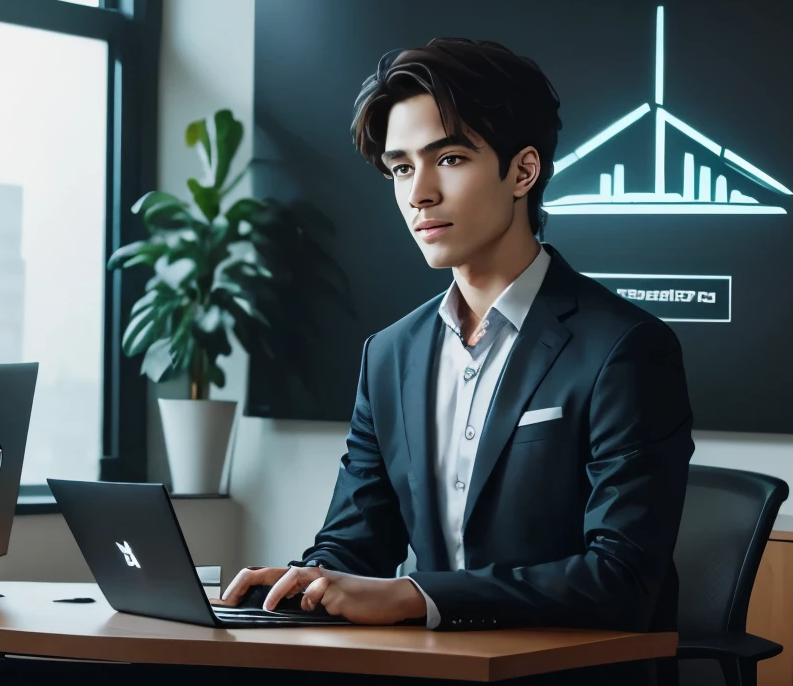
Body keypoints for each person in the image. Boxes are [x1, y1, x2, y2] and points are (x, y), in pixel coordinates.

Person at [222, 37, 695, 684]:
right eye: (399, 168)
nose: (419, 194)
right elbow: (355, 546)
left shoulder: (624, 349)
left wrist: (418, 597)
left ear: (522, 171)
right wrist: (303, 585)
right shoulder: (390, 355)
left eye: (448, 158)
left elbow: (620, 579)